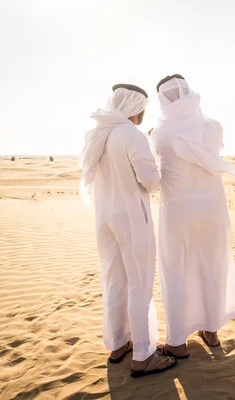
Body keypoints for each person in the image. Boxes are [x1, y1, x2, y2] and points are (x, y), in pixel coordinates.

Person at [79, 83, 176, 378]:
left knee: (114, 279)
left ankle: (118, 343)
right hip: (132, 219)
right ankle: (143, 354)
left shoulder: (99, 134)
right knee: (140, 282)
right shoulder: (132, 135)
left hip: (104, 218)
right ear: (136, 107)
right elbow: (150, 181)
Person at [151, 74, 235, 359]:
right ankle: (211, 331)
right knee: (211, 266)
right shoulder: (214, 127)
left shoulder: (159, 133)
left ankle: (177, 341)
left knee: (177, 271)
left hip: (178, 213)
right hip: (212, 210)